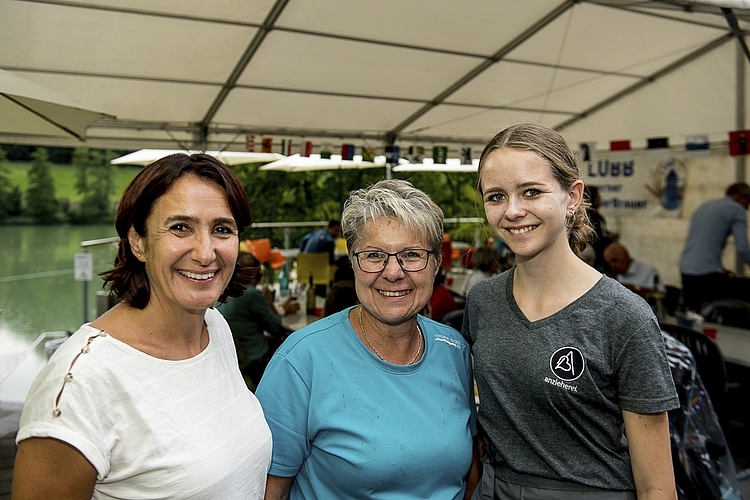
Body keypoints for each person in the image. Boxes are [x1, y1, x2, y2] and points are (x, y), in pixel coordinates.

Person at [12, 153, 272, 499]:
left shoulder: (214, 327)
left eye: (221, 229)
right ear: (138, 240)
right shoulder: (79, 384)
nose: (206, 252)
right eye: (180, 227)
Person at [465, 123, 679, 499]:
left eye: (531, 192)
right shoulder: (482, 302)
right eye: (496, 196)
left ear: (572, 196)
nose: (513, 211)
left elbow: (657, 486)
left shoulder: (624, 316)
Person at [256, 179, 479, 500]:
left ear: (436, 264)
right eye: (374, 255)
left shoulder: (454, 349)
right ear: (352, 262)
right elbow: (269, 491)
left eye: (412, 255)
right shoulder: (301, 360)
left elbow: (470, 467)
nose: (393, 272)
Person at [218, 252, 300, 390]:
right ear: (256, 275)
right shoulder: (250, 294)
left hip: (236, 356)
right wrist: (268, 301)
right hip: (256, 361)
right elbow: (275, 327)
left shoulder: (222, 292)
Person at [679, 182, 750, 312]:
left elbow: (703, 242)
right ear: (741, 196)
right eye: (748, 201)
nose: (747, 208)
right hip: (707, 274)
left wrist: (719, 268)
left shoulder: (705, 206)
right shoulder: (736, 209)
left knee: (692, 312)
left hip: (686, 268)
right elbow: (743, 248)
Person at [585, 185, 619, 273]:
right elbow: (595, 239)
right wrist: (609, 239)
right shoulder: (590, 217)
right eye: (598, 196)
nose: (600, 198)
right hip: (595, 260)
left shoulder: (598, 216)